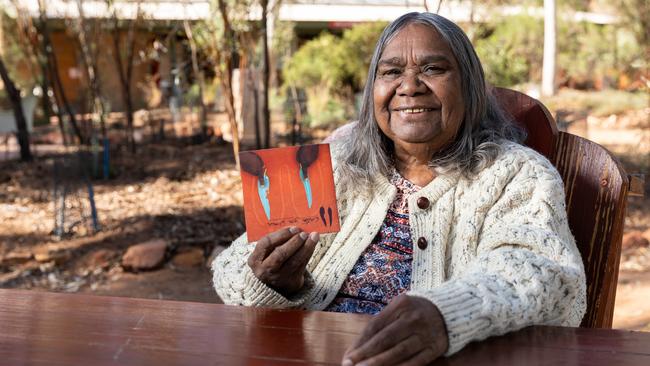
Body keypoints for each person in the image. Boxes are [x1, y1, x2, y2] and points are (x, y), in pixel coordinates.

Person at [212, 12, 586, 366]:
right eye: (391, 71)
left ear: (469, 86)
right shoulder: (331, 162)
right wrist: (273, 280)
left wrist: (448, 314)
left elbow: (538, 271)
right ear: (373, 90)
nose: (409, 86)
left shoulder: (515, 173)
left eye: (433, 69)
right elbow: (230, 269)